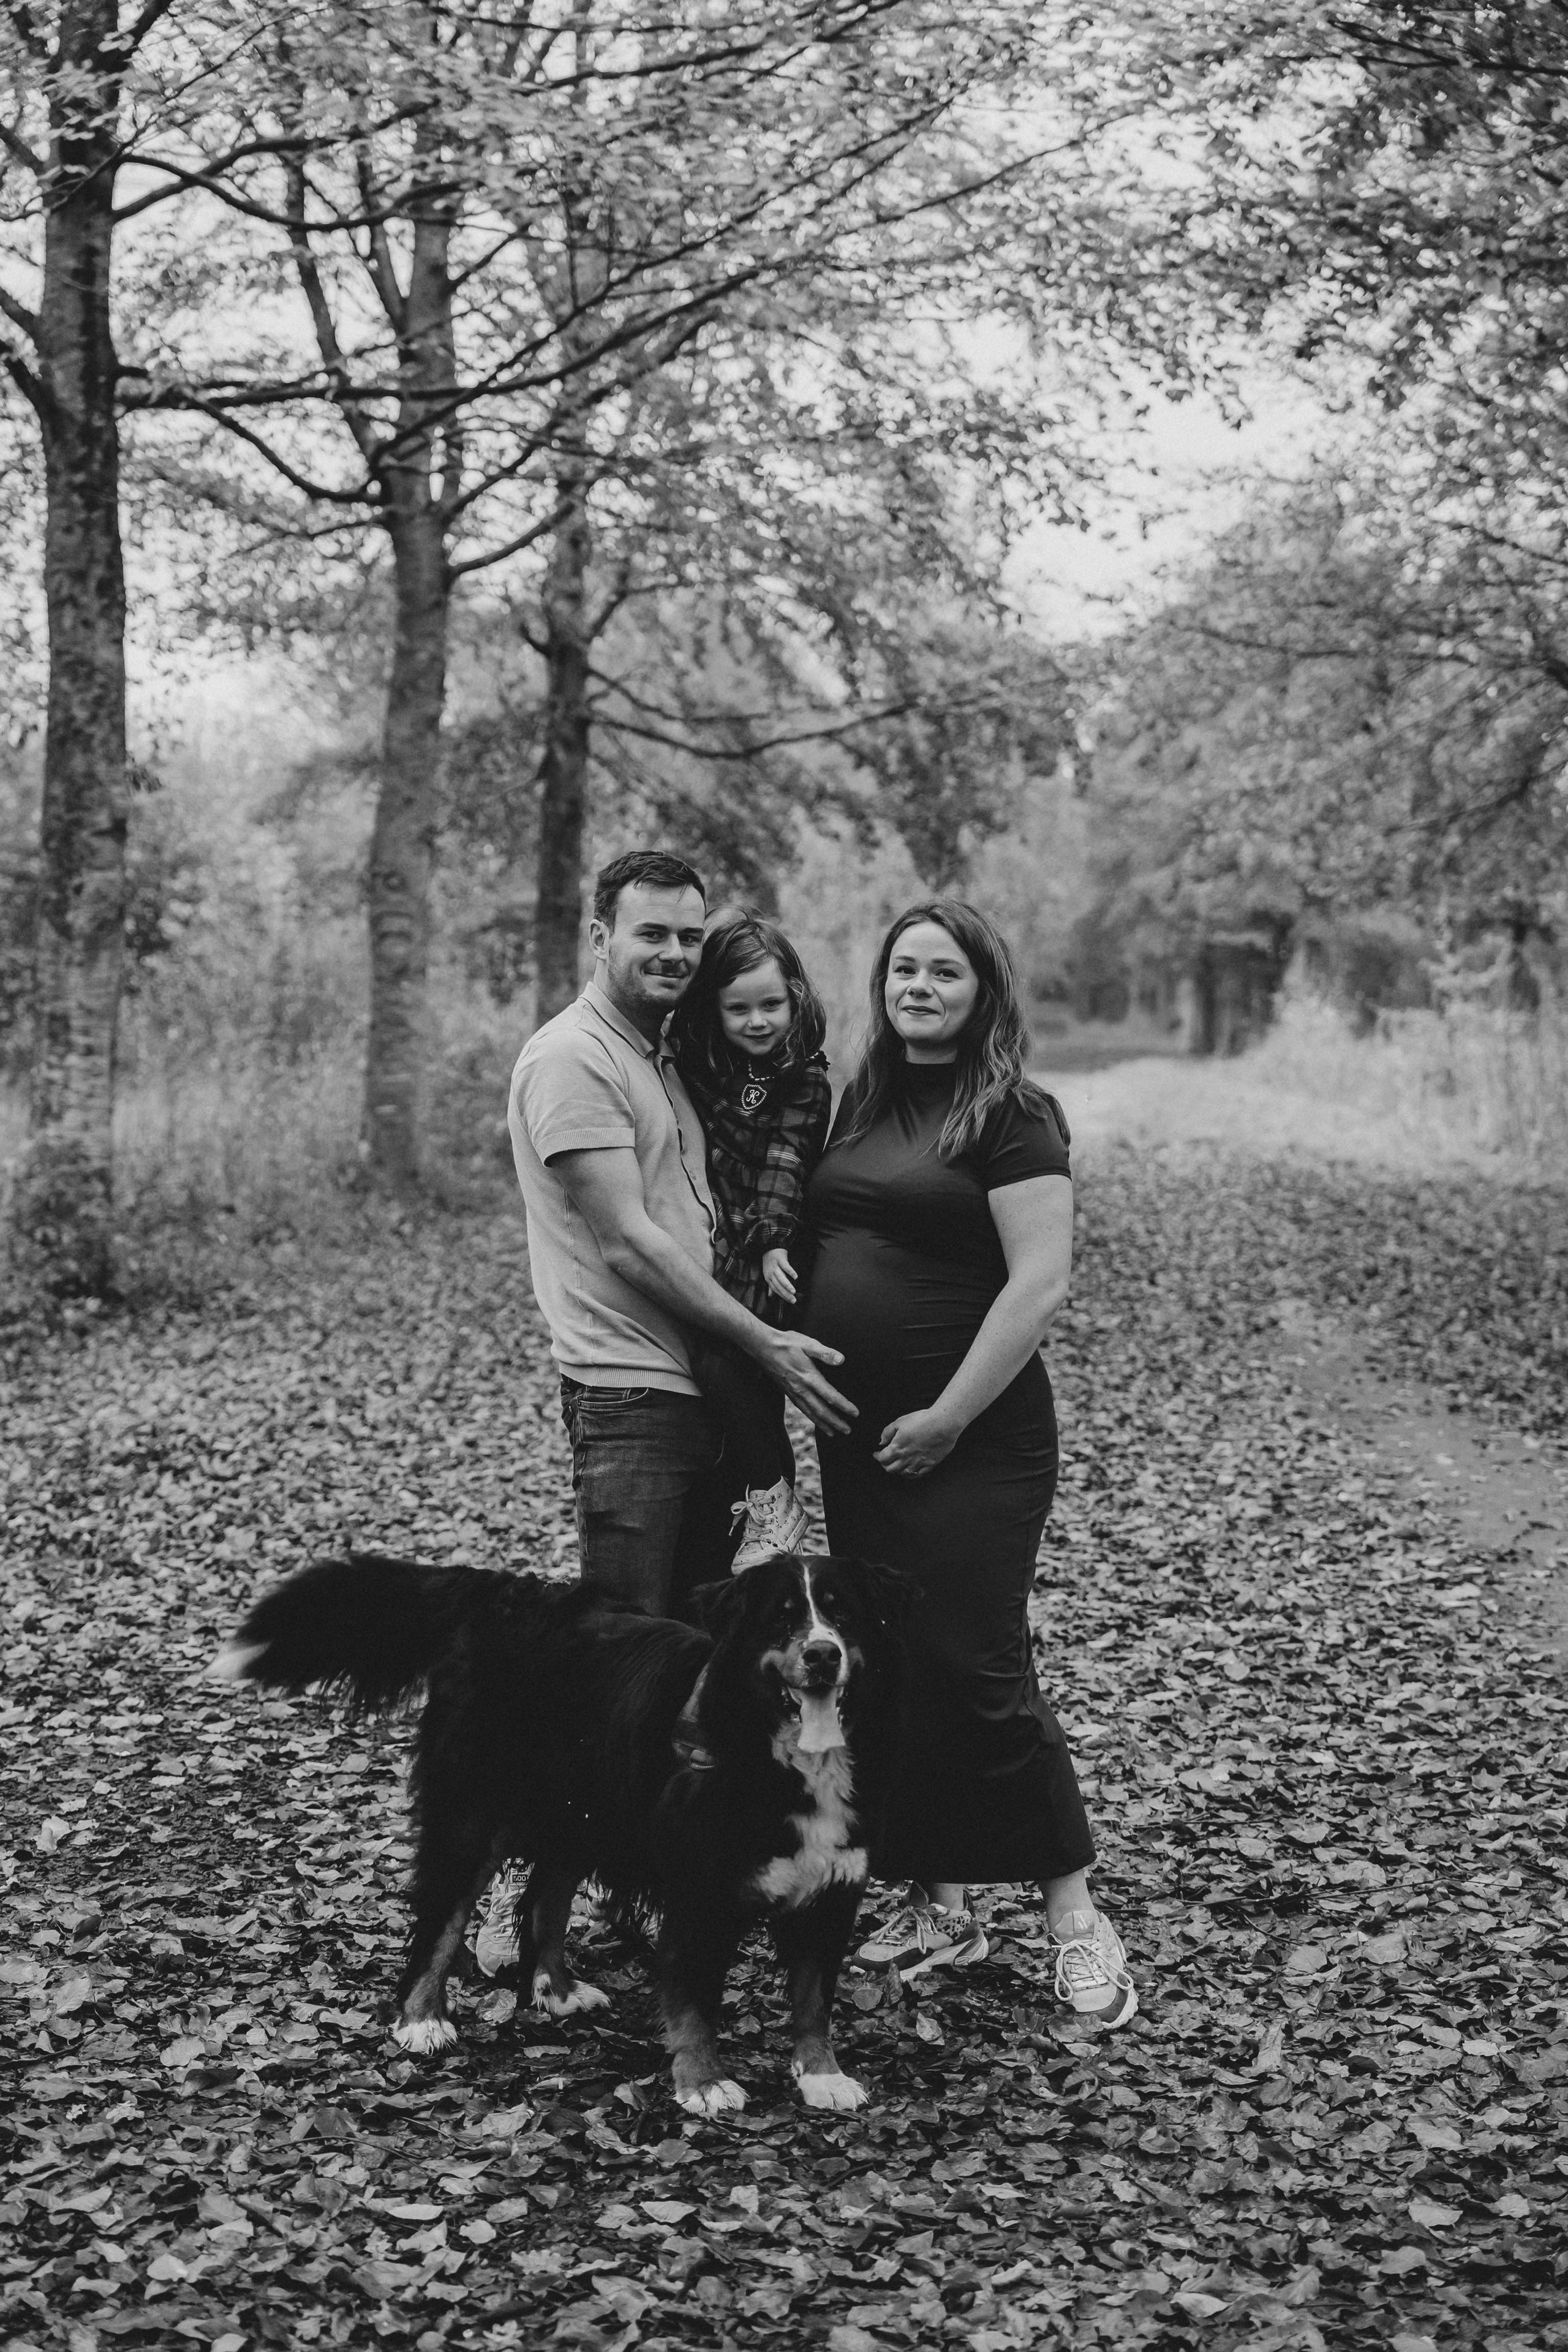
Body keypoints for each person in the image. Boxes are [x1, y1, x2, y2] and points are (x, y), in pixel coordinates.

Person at [478, 850, 855, 1973]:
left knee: (696, 1666)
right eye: (654, 935)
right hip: (633, 1399)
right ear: (601, 935)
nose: (676, 956)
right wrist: (765, 1344)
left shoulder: (659, 1056)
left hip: (699, 1396)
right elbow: (626, 1240)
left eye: (690, 937)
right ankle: (517, 1894)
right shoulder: (572, 1060)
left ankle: (656, 1884)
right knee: (608, 1671)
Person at [798, 898, 1137, 2024]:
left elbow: (1039, 1284)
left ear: (983, 988)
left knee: (983, 1672)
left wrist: (946, 1414)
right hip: (860, 1444)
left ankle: (1077, 1921)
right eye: (904, 968)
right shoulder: (862, 1101)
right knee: (891, 1673)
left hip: (973, 1439)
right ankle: (940, 1903)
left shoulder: (1014, 1113)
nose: (921, 986)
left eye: (945, 971)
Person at [668, 912, 832, 1569]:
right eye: (739, 1009)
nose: (758, 1022)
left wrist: (769, 1243)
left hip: (772, 1247)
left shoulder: (804, 1076)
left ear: (795, 997)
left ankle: (774, 1499)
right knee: (721, 1381)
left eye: (772, 1005)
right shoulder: (702, 1059)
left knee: (728, 1361)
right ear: (715, 1009)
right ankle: (745, 1501)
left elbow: (786, 1163)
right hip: (719, 1234)